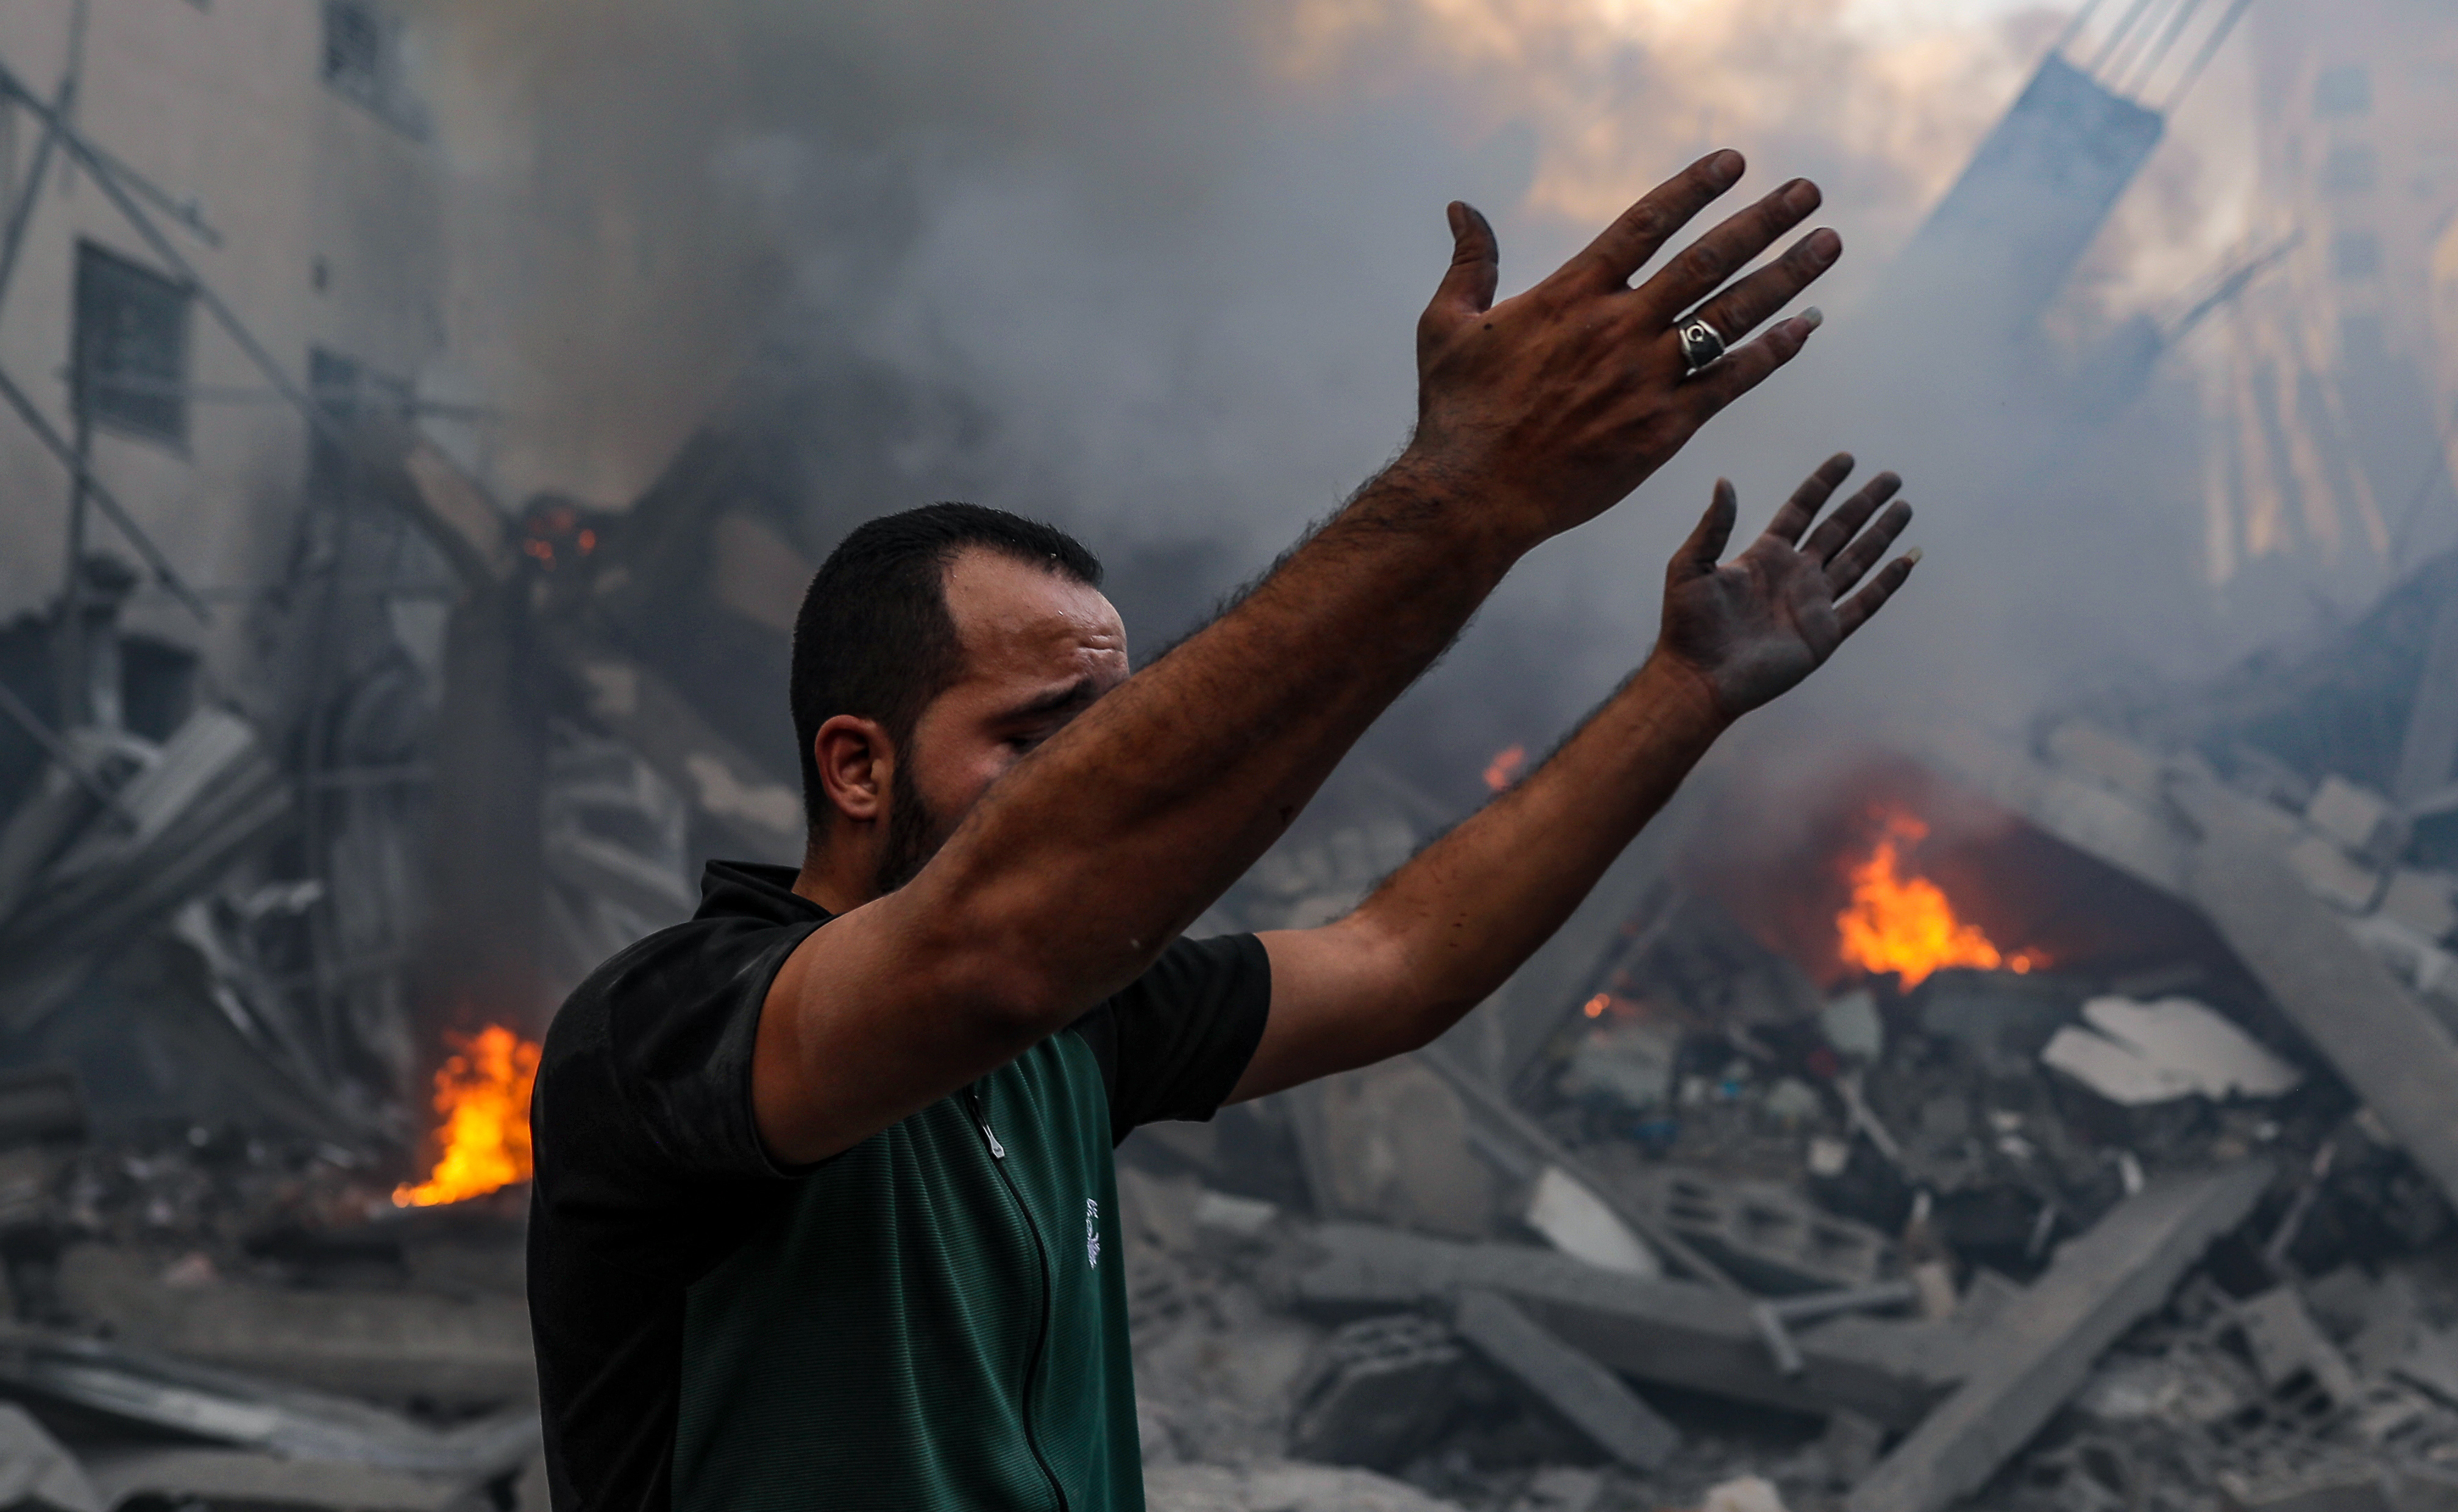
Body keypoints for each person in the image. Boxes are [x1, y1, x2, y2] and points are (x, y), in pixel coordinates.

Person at [527, 150, 1922, 1511]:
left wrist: (1680, 698)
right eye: (1036, 738)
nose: (1105, 785)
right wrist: (1469, 497)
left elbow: (1398, 960)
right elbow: (981, 956)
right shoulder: (665, 1031)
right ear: (856, 767)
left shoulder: (1079, 1033)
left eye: (1118, 729)